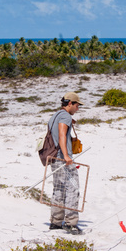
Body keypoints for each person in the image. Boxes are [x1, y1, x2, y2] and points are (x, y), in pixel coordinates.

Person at [47, 92, 83, 235]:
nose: (77, 109)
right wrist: (67, 156)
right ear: (70, 104)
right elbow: (62, 134)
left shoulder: (55, 115)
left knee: (59, 189)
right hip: (63, 158)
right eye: (76, 105)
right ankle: (71, 223)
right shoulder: (65, 116)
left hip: (54, 157)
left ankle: (56, 222)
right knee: (73, 188)